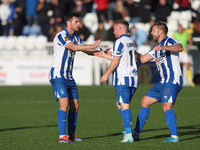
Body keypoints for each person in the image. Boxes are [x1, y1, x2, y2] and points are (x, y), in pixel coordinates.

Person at [49, 12, 101, 143]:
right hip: (58, 75)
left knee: (75, 106)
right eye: (76, 21)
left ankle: (71, 135)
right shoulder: (61, 36)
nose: (79, 24)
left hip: (68, 77)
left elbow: (87, 51)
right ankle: (62, 136)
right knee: (64, 103)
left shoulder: (76, 38)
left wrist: (107, 55)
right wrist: (91, 45)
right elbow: (73, 47)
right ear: (68, 23)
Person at [133, 21, 183, 142]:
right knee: (145, 101)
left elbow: (180, 47)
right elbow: (143, 59)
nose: (151, 33)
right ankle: (135, 133)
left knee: (166, 105)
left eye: (153, 31)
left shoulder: (170, 41)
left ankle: (174, 137)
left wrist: (164, 47)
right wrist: (129, 52)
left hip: (172, 79)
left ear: (161, 32)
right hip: (163, 82)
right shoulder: (156, 47)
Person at [95, 19, 138, 143]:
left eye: (114, 29)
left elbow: (116, 61)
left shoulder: (119, 42)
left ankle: (129, 134)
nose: (113, 31)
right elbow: (120, 58)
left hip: (122, 79)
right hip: (133, 79)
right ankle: (128, 128)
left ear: (119, 28)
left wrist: (106, 74)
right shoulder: (132, 41)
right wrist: (104, 55)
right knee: (120, 104)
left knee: (124, 106)